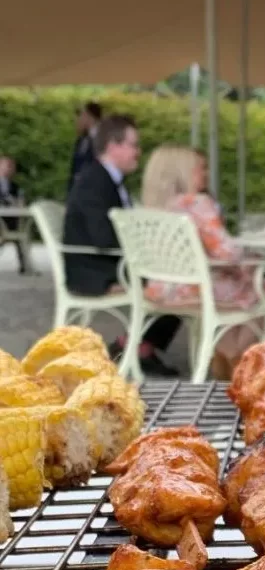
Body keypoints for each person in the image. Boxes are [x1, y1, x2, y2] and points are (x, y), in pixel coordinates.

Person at [141, 146, 265, 376]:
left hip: (161, 289)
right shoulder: (197, 203)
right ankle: (241, 362)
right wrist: (252, 258)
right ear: (183, 172)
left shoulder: (151, 209)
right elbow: (228, 253)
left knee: (241, 283)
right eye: (200, 168)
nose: (205, 174)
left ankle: (227, 360)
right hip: (198, 288)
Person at [63, 115, 181, 376]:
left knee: (177, 279)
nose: (138, 152)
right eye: (133, 145)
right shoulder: (95, 182)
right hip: (94, 270)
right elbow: (103, 238)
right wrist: (146, 247)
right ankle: (138, 347)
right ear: (113, 146)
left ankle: (138, 346)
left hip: (102, 263)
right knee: (178, 282)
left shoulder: (104, 179)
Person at [0, 156, 27, 273]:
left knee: (20, 232)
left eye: (12, 167)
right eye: (7, 166)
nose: (10, 169)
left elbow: (21, 202)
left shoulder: (15, 187)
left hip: (11, 219)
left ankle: (24, 265)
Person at [69, 102, 102, 193]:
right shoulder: (81, 140)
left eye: (82, 116)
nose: (79, 120)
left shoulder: (101, 140)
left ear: (90, 118)